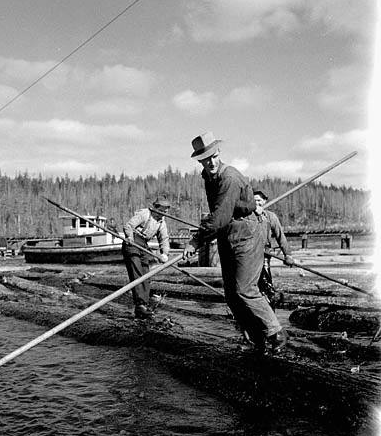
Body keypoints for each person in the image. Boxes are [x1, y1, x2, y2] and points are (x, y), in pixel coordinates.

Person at [183, 132, 287, 354]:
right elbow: (219, 216)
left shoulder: (229, 177)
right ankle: (255, 338)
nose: (210, 162)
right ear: (199, 160)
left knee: (245, 289)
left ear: (219, 153)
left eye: (213, 156)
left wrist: (196, 241)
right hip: (226, 234)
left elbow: (220, 216)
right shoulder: (208, 177)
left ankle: (276, 331)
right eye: (205, 158)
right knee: (231, 295)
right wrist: (204, 236)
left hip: (246, 233)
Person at [122, 196, 171, 319]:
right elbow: (128, 226)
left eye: (166, 211)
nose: (165, 213)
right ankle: (140, 305)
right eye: (163, 210)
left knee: (146, 274)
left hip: (144, 244)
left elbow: (164, 239)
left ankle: (144, 304)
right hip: (132, 242)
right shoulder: (145, 214)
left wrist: (164, 253)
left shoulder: (162, 222)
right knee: (137, 273)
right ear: (156, 208)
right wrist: (129, 238)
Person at [253, 189, 295, 308]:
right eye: (254, 201)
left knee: (266, 284)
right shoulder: (246, 216)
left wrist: (288, 255)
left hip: (264, 254)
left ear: (265, 201)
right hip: (247, 254)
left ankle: (269, 312)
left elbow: (280, 236)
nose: (257, 203)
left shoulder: (271, 217)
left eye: (259, 200)